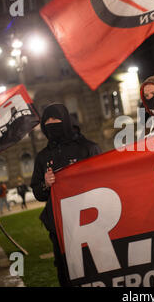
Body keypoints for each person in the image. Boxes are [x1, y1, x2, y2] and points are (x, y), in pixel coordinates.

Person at [31, 103, 101, 287]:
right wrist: (46, 184)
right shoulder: (42, 157)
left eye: (55, 119)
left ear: (66, 120)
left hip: (90, 220)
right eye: (47, 121)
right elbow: (37, 192)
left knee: (94, 266)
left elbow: (102, 180)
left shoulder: (87, 148)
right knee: (65, 271)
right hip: (59, 226)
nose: (50, 123)